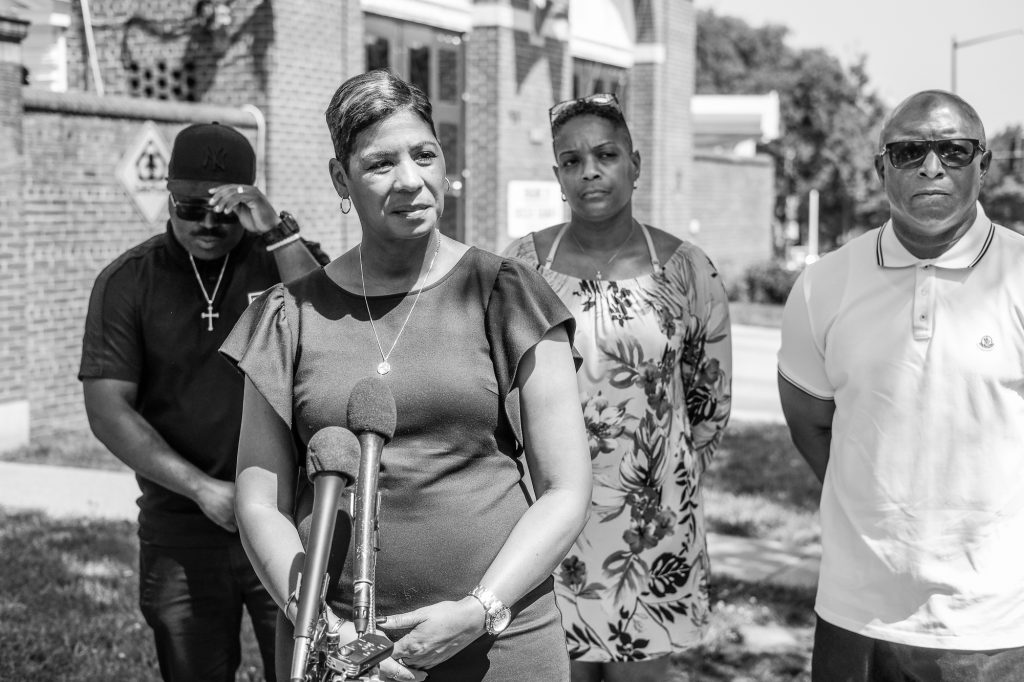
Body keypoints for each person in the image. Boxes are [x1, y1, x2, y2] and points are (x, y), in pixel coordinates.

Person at [220, 69, 592, 682]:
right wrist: (318, 623)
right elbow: (261, 501)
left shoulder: (506, 295)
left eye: (425, 155)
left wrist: (482, 608)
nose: (411, 181)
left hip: (497, 645)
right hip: (334, 645)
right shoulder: (288, 315)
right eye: (380, 164)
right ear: (341, 178)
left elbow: (566, 489)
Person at [778, 90, 1024, 681]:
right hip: (855, 610)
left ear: (983, 165)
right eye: (910, 150)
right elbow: (810, 421)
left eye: (954, 150)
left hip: (994, 619)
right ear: (881, 167)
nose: (931, 166)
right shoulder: (823, 286)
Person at [80, 121, 329, 682]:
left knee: (305, 670)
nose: (208, 224)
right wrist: (203, 489)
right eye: (191, 207)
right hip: (182, 519)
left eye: (227, 210)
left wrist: (277, 231)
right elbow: (107, 409)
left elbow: (332, 332)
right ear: (168, 196)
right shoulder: (128, 280)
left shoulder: (283, 260)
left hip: (289, 516)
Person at [504, 93, 732, 682]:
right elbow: (497, 386)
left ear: (635, 163)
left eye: (606, 155)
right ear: (558, 175)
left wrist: (660, 472)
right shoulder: (521, 267)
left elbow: (709, 401)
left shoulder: (686, 269)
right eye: (571, 160)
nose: (590, 172)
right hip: (548, 515)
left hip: (651, 524)